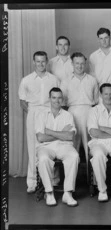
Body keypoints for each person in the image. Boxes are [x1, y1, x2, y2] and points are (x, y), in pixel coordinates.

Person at [18, 51, 59, 193]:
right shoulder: (26, 80)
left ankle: (53, 180)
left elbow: (58, 98)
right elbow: (22, 101)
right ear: (33, 62)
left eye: (43, 61)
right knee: (33, 146)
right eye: (38, 61)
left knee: (51, 145)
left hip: (49, 112)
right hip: (33, 113)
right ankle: (32, 182)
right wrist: (32, 114)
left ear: (47, 61)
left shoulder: (54, 79)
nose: (40, 64)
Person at [35, 87, 80, 206]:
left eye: (59, 98)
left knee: (74, 156)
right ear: (49, 99)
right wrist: (61, 133)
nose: (57, 100)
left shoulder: (68, 115)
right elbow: (40, 138)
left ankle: (68, 193)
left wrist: (49, 131)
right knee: (43, 159)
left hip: (64, 146)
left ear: (63, 99)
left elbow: (70, 136)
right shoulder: (41, 115)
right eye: (54, 98)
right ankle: (49, 193)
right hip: (45, 146)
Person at [60, 52, 99, 177]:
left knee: (90, 145)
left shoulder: (92, 80)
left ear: (85, 64)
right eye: (77, 63)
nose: (80, 66)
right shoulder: (65, 81)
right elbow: (63, 102)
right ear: (72, 64)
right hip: (72, 112)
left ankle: (91, 178)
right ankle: (72, 179)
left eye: (82, 63)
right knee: (73, 145)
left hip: (89, 111)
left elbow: (96, 100)